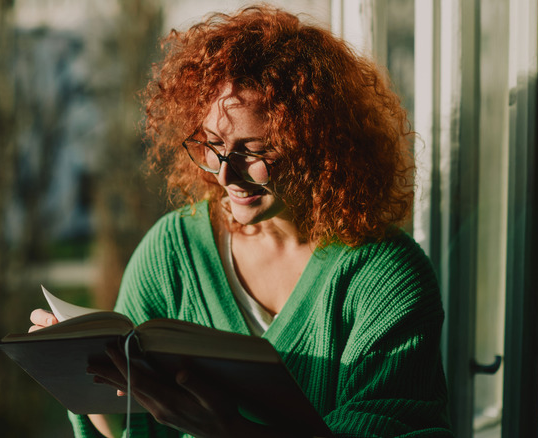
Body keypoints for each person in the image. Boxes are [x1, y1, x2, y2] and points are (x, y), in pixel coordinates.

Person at [30, 5, 452, 437]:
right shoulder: (174, 251)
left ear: (320, 144)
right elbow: (124, 425)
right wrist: (82, 370)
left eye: (253, 151)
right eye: (213, 144)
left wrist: (230, 430)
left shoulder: (387, 277)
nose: (224, 174)